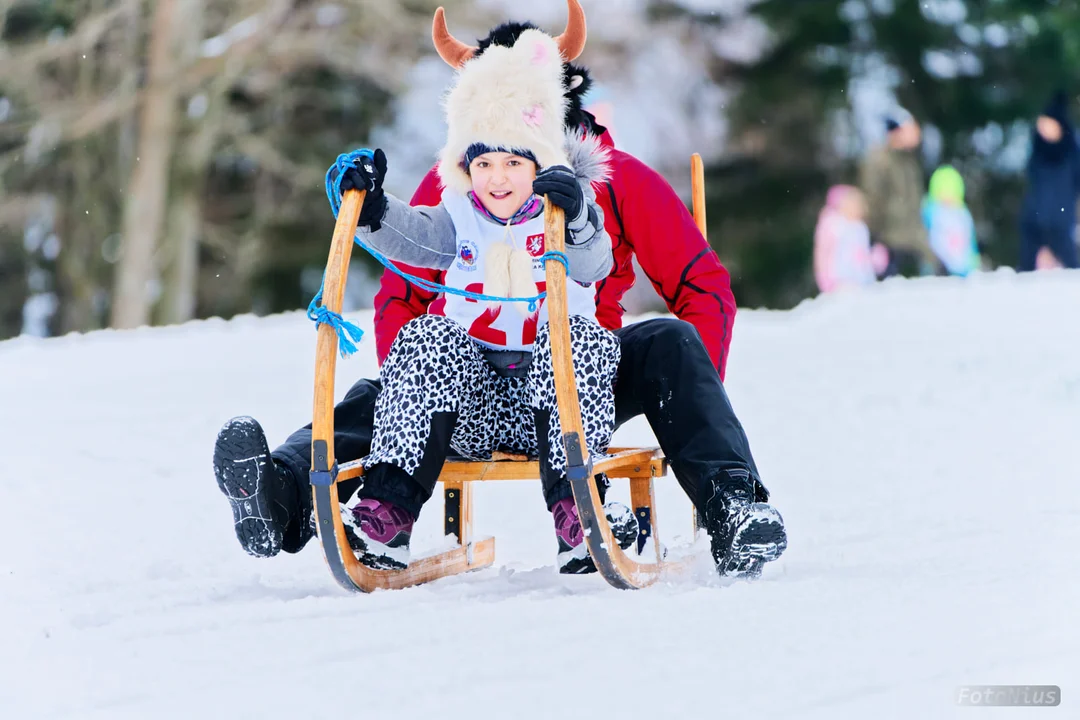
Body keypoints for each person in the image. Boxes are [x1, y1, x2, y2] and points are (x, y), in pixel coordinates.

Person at [214, 1, 787, 579]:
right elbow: (402, 287)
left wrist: (693, 395)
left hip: (584, 373)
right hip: (469, 379)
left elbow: (700, 283)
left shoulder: (615, 178)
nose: (499, 172)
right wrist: (418, 403)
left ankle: (733, 506)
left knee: (671, 343)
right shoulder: (465, 186)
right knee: (383, 387)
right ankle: (282, 496)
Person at [860, 107, 939, 278]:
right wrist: (876, 238)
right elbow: (874, 201)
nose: (917, 134)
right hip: (892, 242)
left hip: (915, 239)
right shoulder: (879, 161)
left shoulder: (909, 161)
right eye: (911, 129)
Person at [1018, 91, 1080, 271]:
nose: (1043, 128)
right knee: (1025, 267)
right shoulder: (1037, 150)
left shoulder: (1070, 153)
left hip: (1060, 219)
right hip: (1034, 215)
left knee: (1071, 265)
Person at [813, 184, 886, 293]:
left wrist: (874, 259)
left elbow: (861, 255)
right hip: (841, 282)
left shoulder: (859, 227)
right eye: (855, 203)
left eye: (861, 204)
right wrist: (827, 280)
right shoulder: (835, 227)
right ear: (842, 206)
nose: (861, 208)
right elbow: (825, 256)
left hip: (863, 280)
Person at [921, 165, 980, 277]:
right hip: (937, 267)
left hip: (963, 268)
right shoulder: (931, 210)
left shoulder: (962, 214)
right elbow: (923, 236)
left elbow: (969, 239)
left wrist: (974, 259)